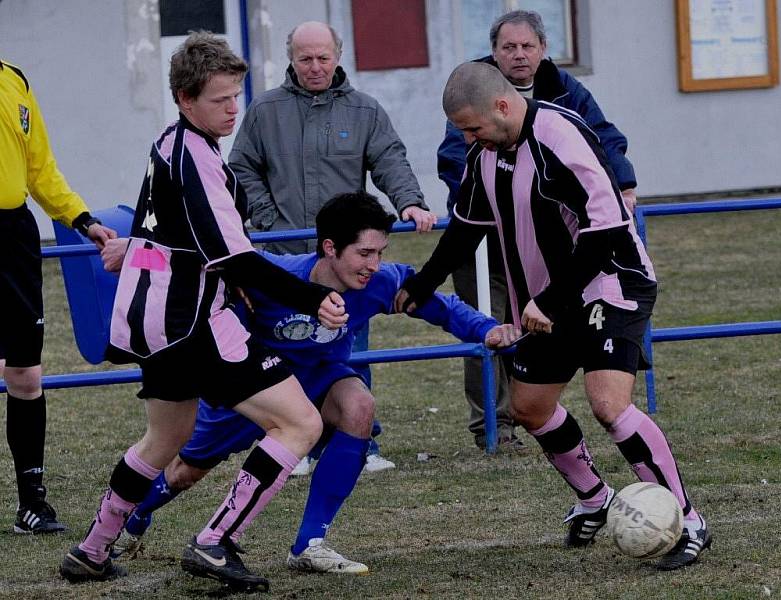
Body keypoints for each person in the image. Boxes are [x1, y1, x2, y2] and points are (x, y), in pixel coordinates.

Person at [58, 32, 347, 592]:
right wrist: (311, 297)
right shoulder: (194, 156)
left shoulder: (169, 142)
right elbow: (234, 257)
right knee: (301, 421)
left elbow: (165, 229)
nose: (233, 109)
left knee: (164, 441)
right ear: (185, 100)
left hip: (157, 320)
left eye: (237, 96)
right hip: (191, 321)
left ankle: (92, 550)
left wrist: (139, 247)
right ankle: (215, 542)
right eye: (220, 99)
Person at [396, 62, 711, 570]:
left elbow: (606, 229)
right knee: (530, 408)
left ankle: (688, 521)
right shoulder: (484, 155)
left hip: (610, 283)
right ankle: (595, 498)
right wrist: (420, 285)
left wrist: (550, 300)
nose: (467, 138)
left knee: (609, 404)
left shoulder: (561, 135)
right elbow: (464, 230)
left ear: (502, 105)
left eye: (471, 128)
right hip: (547, 299)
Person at [108, 191, 519, 574]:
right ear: (329, 248)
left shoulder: (381, 283)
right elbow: (211, 275)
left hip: (321, 380)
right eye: (364, 253)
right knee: (184, 472)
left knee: (359, 406)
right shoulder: (276, 277)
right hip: (254, 386)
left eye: (380, 253)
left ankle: (309, 545)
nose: (373, 265)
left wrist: (485, 330)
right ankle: (134, 515)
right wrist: (137, 249)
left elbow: (439, 306)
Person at [230, 20, 437, 470]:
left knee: (347, 346)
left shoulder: (364, 111)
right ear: (291, 59)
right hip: (286, 258)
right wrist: (266, 218)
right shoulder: (265, 111)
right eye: (305, 58)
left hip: (342, 261)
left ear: (338, 56)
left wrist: (410, 203)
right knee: (283, 347)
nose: (315, 67)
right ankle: (293, 441)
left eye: (323, 57)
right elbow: (241, 168)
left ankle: (359, 445)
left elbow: (389, 160)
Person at [437, 10, 638, 451]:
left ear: (542, 49)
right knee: (488, 323)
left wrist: (622, 182)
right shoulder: (476, 90)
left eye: (527, 46)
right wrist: (495, 203)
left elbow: (602, 137)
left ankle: (581, 408)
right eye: (509, 47)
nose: (519, 55)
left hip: (557, 250)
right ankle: (494, 421)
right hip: (490, 239)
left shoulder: (565, 91)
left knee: (548, 317)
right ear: (495, 53)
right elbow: (458, 159)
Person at [0, 59, 116, 534]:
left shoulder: (14, 78)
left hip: (12, 236)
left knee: (26, 374)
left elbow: (40, 169)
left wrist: (82, 220)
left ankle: (32, 504)